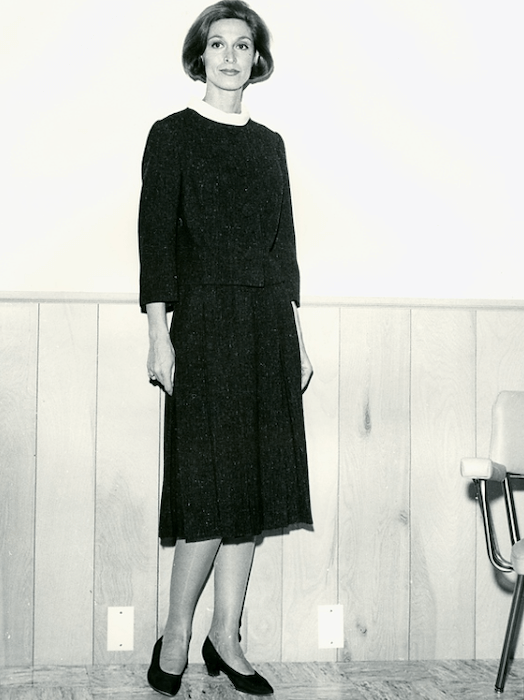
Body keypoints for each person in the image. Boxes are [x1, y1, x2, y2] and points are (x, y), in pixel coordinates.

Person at [138, 1, 313, 695]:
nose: (231, 56)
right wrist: (159, 333)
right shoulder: (171, 135)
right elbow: (156, 243)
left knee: (252, 491)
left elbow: (283, 248)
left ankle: (227, 636)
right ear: (200, 55)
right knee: (209, 492)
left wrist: (297, 337)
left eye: (244, 45)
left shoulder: (270, 145)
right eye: (219, 44)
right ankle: (176, 634)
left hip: (267, 326)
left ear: (257, 58)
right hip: (205, 327)